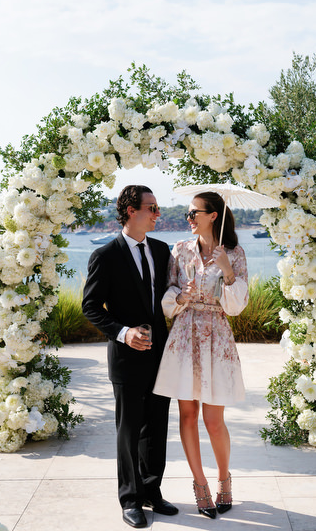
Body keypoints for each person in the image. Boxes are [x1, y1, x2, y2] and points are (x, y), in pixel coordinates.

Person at [82, 185, 178, 529]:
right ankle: (130, 498)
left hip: (160, 354)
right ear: (130, 211)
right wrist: (124, 332)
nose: (157, 214)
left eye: (156, 208)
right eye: (151, 208)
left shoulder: (163, 250)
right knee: (129, 429)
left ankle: (152, 490)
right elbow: (91, 307)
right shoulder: (105, 256)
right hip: (125, 358)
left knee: (157, 426)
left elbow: (169, 296)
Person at [153, 191, 248, 519]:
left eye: (195, 213)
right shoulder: (179, 251)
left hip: (217, 336)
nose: (189, 218)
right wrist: (181, 296)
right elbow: (167, 297)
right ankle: (200, 484)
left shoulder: (233, 253)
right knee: (188, 416)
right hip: (184, 337)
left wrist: (228, 272)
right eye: (188, 214)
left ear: (214, 216)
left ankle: (224, 480)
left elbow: (236, 308)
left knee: (213, 419)